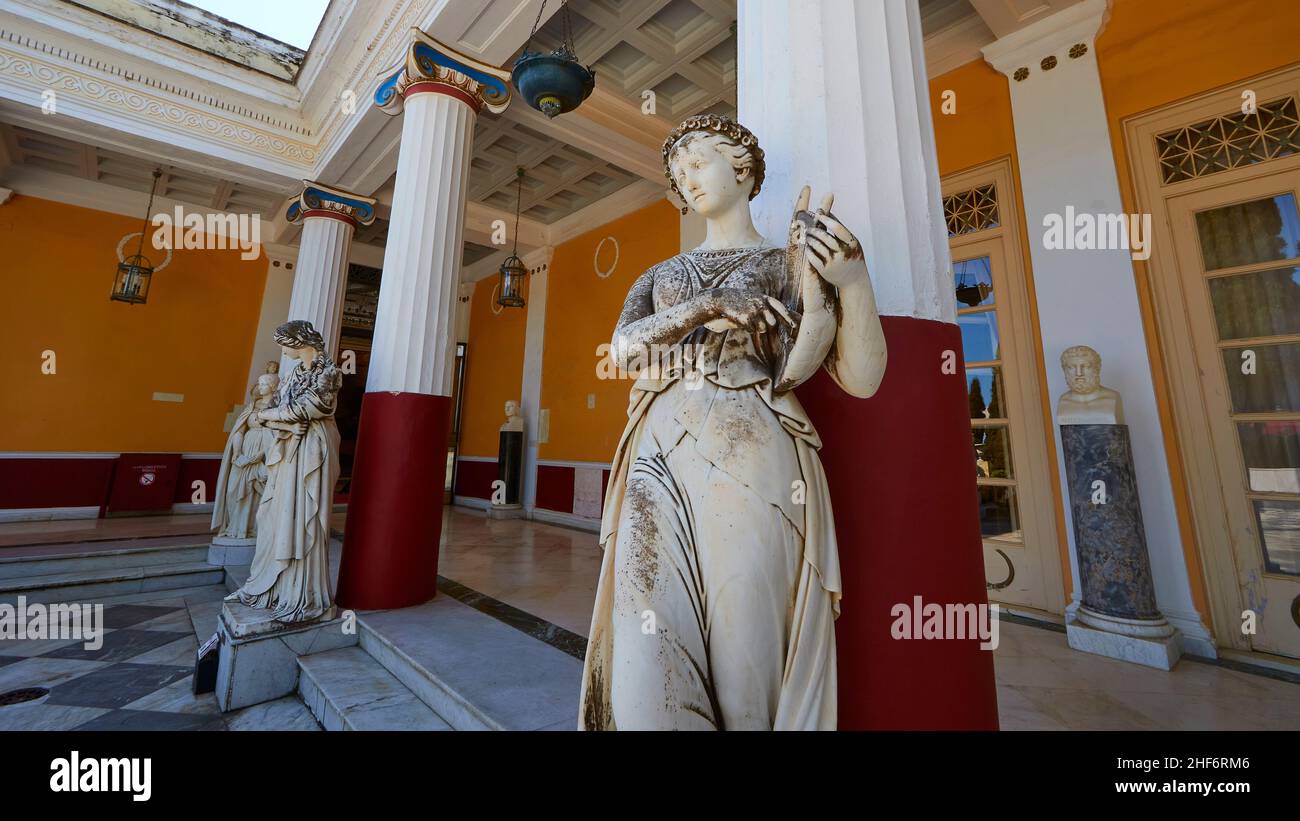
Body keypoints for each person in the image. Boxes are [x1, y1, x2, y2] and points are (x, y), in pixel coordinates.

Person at [579, 115, 887, 730]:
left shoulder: (784, 265)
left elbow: (861, 378)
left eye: (700, 163)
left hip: (753, 448)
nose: (687, 180)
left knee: (746, 645)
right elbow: (621, 352)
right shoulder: (662, 275)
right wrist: (708, 306)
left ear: (742, 169)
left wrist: (851, 282)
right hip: (659, 449)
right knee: (646, 640)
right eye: (679, 173)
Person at [226, 320, 341, 623]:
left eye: (283, 342)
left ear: (298, 341)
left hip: (312, 450)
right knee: (275, 514)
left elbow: (312, 408)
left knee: (304, 515)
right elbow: (268, 414)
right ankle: (270, 585)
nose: (281, 349)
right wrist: (277, 419)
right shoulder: (291, 376)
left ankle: (302, 593)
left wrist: (277, 416)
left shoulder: (329, 372)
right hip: (288, 446)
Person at [212, 370, 279, 539]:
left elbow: (278, 436)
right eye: (260, 383)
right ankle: (233, 526)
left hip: (262, 454)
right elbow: (239, 431)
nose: (260, 387)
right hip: (243, 453)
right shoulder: (252, 407)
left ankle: (248, 529)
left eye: (263, 384)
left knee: (255, 492)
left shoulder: (277, 408)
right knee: (233, 490)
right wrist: (236, 451)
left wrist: (261, 454)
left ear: (272, 387)